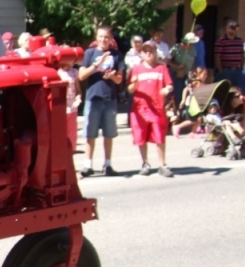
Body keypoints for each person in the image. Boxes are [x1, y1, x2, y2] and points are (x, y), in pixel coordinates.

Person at [77, 25, 125, 177]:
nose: (103, 39)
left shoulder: (117, 55)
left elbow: (119, 79)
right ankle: (88, 165)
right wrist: (96, 65)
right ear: (96, 38)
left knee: (108, 133)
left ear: (111, 39)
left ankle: (108, 164)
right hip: (93, 97)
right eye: (101, 36)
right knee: (90, 133)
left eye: (106, 37)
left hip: (110, 98)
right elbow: (81, 76)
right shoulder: (90, 53)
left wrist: (112, 76)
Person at [127, 40, 174, 177]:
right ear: (141, 53)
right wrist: (134, 83)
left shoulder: (162, 68)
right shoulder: (136, 69)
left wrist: (166, 89)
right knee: (140, 137)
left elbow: (170, 85)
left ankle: (162, 164)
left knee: (159, 137)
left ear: (155, 53)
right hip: (140, 109)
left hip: (157, 108)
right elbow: (130, 90)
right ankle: (145, 163)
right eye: (145, 51)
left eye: (151, 51)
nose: (148, 53)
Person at [167, 32, 197, 106]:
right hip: (175, 73)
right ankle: (173, 107)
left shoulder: (192, 49)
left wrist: (192, 71)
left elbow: (193, 62)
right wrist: (177, 66)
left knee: (184, 92)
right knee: (175, 92)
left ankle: (181, 108)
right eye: (191, 43)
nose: (192, 45)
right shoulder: (176, 48)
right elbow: (168, 60)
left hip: (186, 75)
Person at [58, 59, 82, 151]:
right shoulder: (58, 73)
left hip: (72, 106)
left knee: (72, 132)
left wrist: (78, 98)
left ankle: (71, 151)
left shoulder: (74, 72)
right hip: (62, 105)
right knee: (61, 131)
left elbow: (78, 90)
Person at [214, 20, 244, 89]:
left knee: (237, 90)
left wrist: (241, 67)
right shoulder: (221, 41)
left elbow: (242, 54)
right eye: (233, 28)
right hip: (226, 70)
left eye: (236, 29)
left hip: (237, 70)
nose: (235, 31)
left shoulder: (239, 41)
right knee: (225, 89)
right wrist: (220, 70)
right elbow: (217, 56)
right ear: (228, 29)